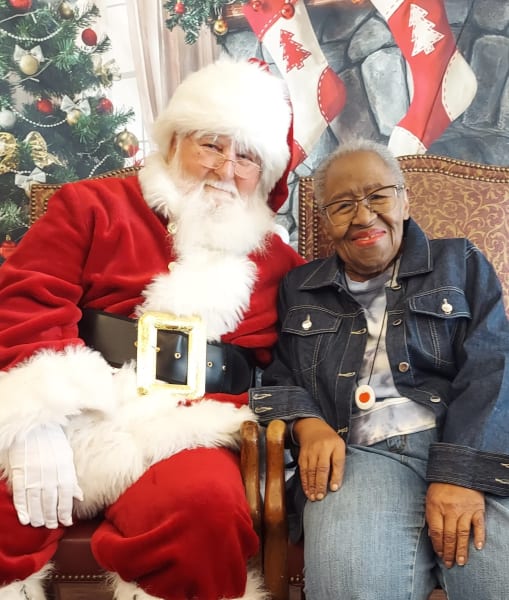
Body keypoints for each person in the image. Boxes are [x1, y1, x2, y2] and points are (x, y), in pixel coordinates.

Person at [0, 58, 305, 600]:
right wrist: (36, 420)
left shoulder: (282, 265)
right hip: (76, 414)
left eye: (247, 157)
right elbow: (26, 299)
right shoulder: (91, 207)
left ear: (266, 177)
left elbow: (306, 359)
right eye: (211, 144)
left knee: (204, 511)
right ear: (172, 144)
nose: (225, 168)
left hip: (191, 429)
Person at [249, 139, 509, 599]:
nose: (364, 216)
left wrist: (459, 473)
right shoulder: (300, 287)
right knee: (352, 585)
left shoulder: (460, 261)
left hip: (464, 442)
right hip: (358, 455)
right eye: (343, 205)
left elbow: (493, 364)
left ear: (405, 200)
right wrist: (308, 426)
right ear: (326, 222)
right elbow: (281, 375)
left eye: (377, 196)